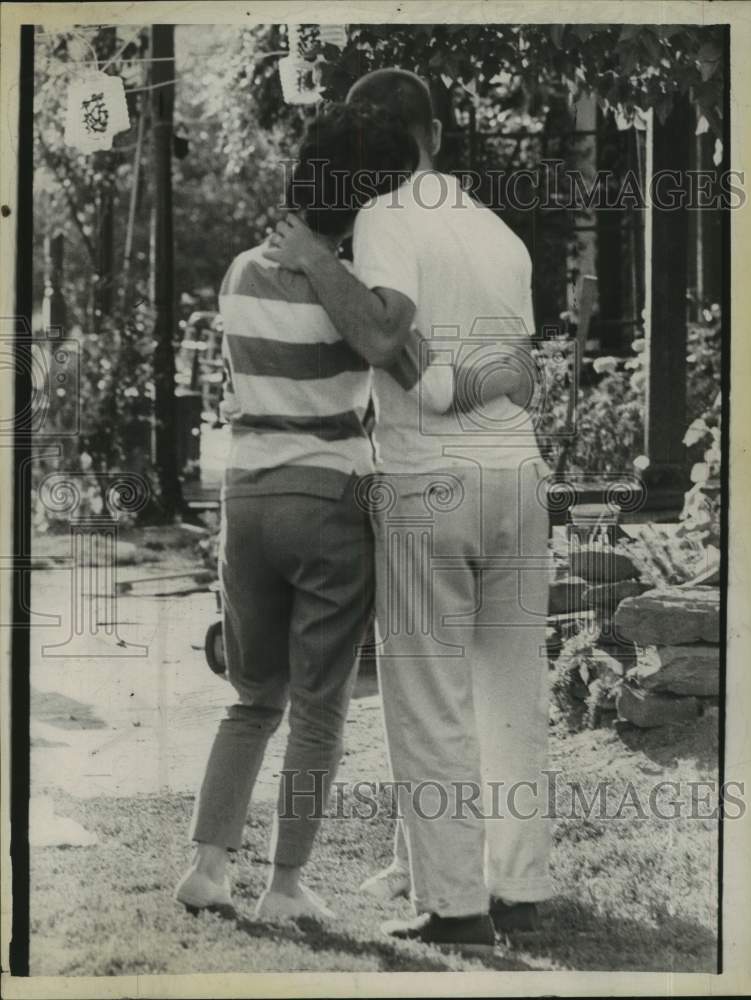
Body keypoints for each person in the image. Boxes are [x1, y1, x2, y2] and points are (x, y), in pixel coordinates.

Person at [265, 68, 553, 950]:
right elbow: (522, 370)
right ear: (437, 128)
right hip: (518, 477)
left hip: (432, 483)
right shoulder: (494, 227)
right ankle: (520, 882)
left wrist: (317, 260)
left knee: (428, 699)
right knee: (512, 691)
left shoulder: (386, 215)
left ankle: (456, 906)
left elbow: (388, 336)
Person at [175, 102, 453, 920]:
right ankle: (286, 887)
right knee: (319, 705)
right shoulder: (355, 288)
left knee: (251, 698)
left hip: (247, 496)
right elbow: (406, 366)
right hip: (328, 497)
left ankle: (206, 867)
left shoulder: (237, 272)